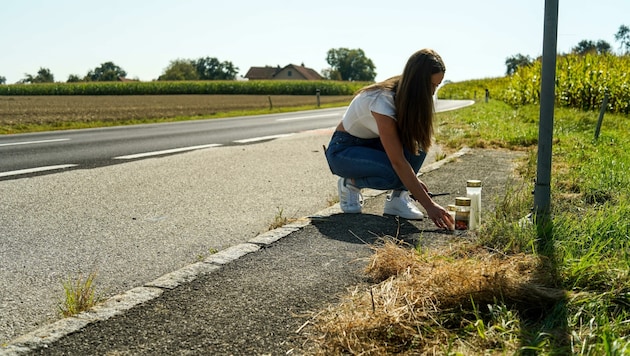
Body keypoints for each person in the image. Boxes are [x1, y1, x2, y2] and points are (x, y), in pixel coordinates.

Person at [325, 48, 454, 230]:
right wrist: (430, 206)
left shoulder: (409, 99)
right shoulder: (382, 99)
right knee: (395, 174)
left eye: (437, 86)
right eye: (431, 86)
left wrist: (411, 183)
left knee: (419, 142)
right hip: (343, 150)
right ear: (418, 83)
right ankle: (350, 183)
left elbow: (407, 149)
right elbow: (398, 162)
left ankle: (397, 201)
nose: (433, 92)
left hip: (373, 146)